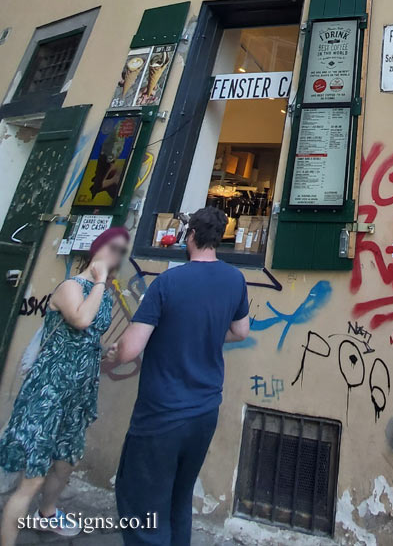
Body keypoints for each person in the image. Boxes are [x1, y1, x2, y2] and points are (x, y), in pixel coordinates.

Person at [111, 206, 250, 546]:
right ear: (218, 239)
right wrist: (205, 332)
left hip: (161, 414)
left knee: (144, 505)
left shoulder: (168, 282)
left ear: (191, 237)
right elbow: (241, 331)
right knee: (178, 497)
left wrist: (114, 353)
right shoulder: (235, 279)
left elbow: (130, 349)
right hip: (204, 412)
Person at [0, 227, 131, 546]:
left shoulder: (105, 292)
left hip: (77, 394)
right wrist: (100, 281)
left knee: (65, 463)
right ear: (97, 249)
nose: (116, 255)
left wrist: (105, 351)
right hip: (48, 392)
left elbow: (86, 339)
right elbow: (81, 320)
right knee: (33, 477)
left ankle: (47, 515)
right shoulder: (72, 286)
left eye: (122, 250)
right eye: (111, 247)